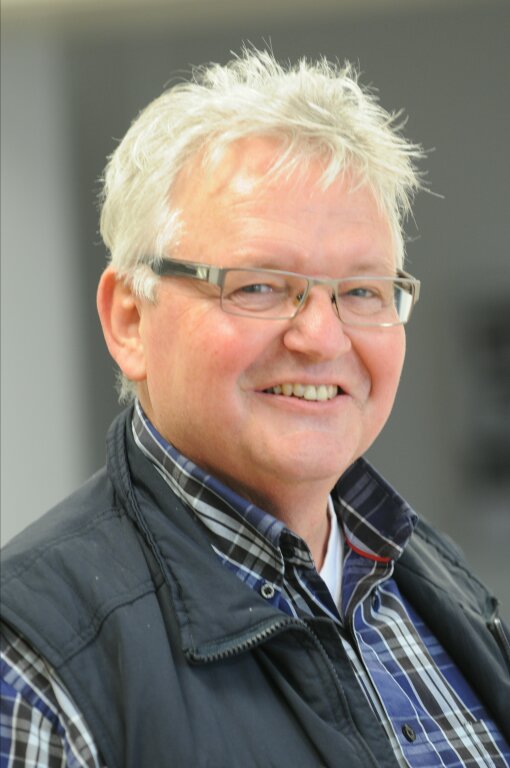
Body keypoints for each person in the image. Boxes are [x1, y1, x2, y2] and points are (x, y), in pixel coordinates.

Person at [1, 48, 509, 768]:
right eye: (259, 286)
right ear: (130, 320)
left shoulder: (431, 579)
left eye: (362, 291)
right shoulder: (31, 665)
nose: (322, 338)